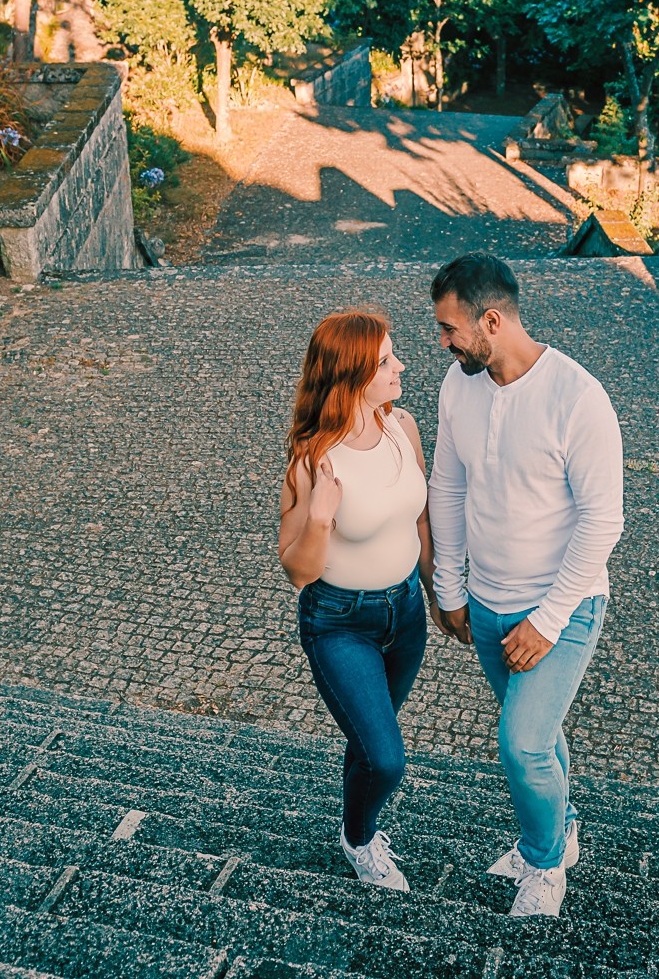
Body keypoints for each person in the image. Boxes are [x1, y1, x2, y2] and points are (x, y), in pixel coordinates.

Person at [426, 253, 625, 918]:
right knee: (537, 729)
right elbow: (447, 486)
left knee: (524, 741)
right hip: (485, 601)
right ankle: (560, 825)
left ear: (492, 319)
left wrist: (547, 619)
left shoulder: (577, 397)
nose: (444, 342)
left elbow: (604, 519)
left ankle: (543, 863)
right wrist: (449, 587)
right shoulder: (459, 386)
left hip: (562, 607)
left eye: (451, 329)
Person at [277, 310, 433, 892]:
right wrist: (319, 517)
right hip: (340, 623)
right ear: (351, 376)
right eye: (386, 361)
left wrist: (438, 589)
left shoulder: (404, 428)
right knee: (386, 757)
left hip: (407, 613)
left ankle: (357, 822)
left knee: (368, 743)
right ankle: (359, 838)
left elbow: (418, 515)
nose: (401, 366)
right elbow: (297, 570)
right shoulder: (314, 459)